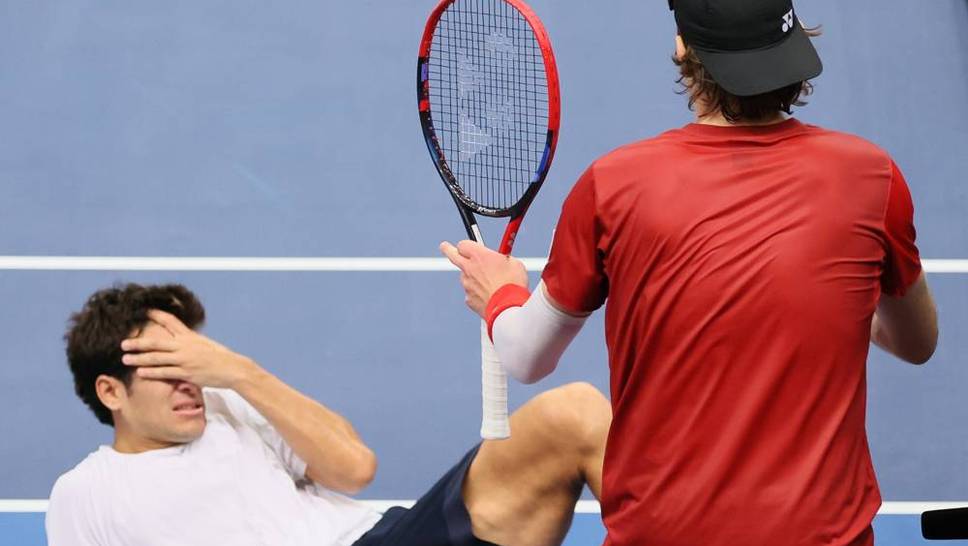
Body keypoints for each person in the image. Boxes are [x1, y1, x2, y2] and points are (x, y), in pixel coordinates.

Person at [440, 0, 939, 544]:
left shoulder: (614, 185)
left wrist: (500, 294)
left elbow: (527, 357)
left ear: (684, 48)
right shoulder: (872, 177)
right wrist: (831, 295)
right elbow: (917, 342)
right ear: (793, 43)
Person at [47, 283, 611, 546]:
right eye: (166, 367)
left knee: (573, 413)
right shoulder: (87, 493)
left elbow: (355, 468)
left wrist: (240, 372)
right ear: (111, 392)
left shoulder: (230, 403)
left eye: (192, 360)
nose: (188, 381)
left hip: (382, 539)